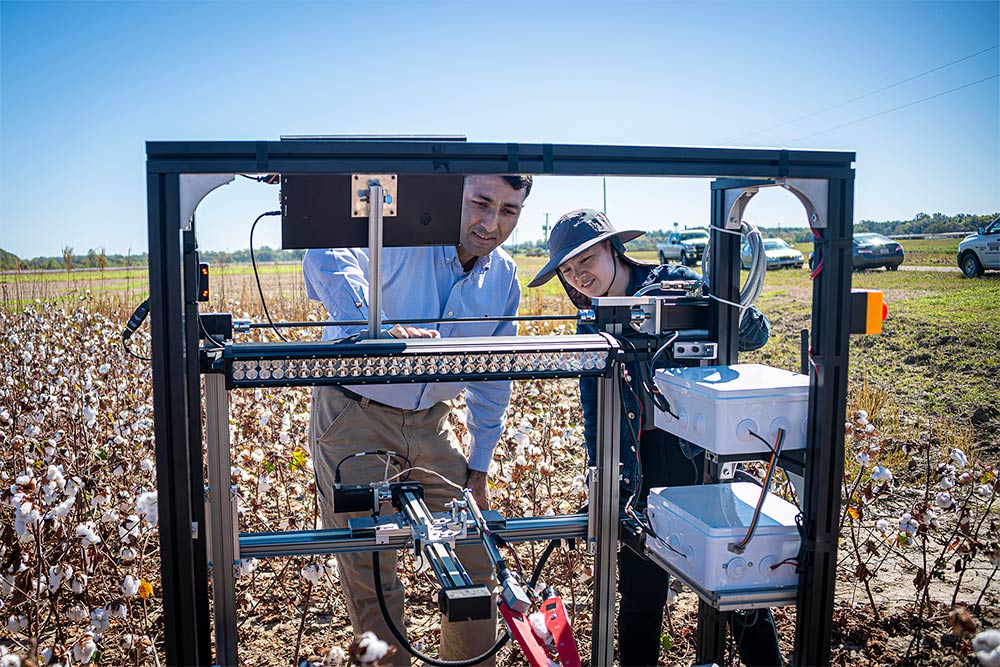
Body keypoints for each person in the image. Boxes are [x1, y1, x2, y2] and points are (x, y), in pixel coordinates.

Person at [528, 209, 783, 667]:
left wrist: (720, 305)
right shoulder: (591, 321)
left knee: (734, 581)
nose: (578, 275)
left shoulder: (674, 285)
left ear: (614, 249)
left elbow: (755, 334)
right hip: (635, 460)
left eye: (585, 259)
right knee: (640, 592)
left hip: (699, 456)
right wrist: (602, 479)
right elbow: (595, 410)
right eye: (566, 269)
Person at [303, 174, 533, 667]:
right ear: (454, 196)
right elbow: (325, 251)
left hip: (433, 422)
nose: (491, 223)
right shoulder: (401, 236)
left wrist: (480, 466)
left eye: (508, 211)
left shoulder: (504, 276)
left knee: (474, 559)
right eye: (481, 202)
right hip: (355, 413)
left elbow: (494, 377)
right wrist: (373, 328)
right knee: (371, 571)